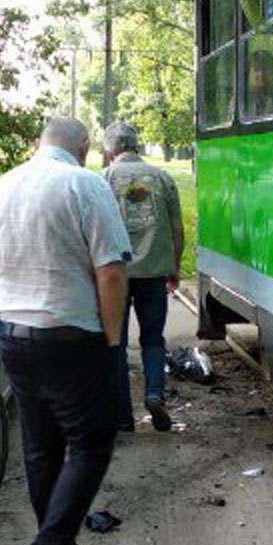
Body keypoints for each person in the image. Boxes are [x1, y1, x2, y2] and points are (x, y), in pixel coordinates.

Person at [0, 116, 132, 545]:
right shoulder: (85, 185)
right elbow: (110, 270)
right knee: (90, 446)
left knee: (42, 450)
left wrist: (17, 310)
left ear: (38, 143)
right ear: (83, 148)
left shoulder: (0, 188)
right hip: (72, 335)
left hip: (14, 335)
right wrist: (111, 341)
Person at [101, 122, 183, 433]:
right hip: (153, 271)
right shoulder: (162, 177)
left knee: (116, 342)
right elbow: (177, 228)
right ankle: (153, 394)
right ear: (136, 146)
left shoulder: (104, 179)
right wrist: (173, 266)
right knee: (153, 339)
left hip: (116, 274)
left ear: (110, 150)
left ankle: (122, 416)